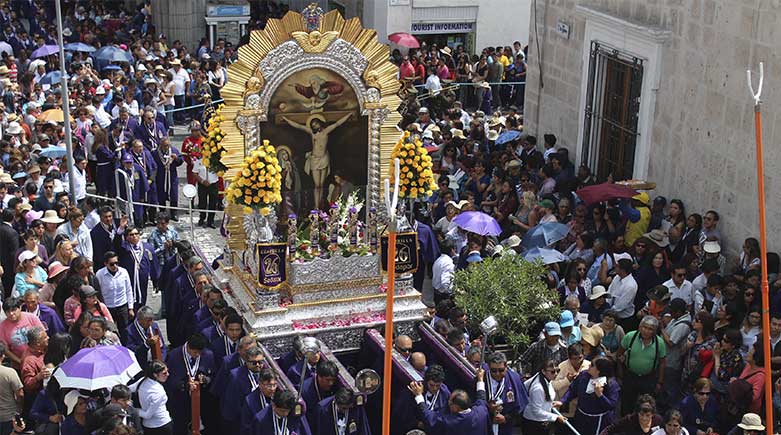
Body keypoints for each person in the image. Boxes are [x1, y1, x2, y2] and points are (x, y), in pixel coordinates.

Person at [407, 367, 489, 434]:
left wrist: (418, 396)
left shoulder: (450, 422)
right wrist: (480, 380)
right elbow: (481, 397)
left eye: (450, 403)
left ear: (456, 407)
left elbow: (429, 418)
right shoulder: (482, 411)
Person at [164, 334, 216, 435]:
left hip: (202, 402)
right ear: (188, 346)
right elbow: (169, 381)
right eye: (195, 352)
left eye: (200, 352)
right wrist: (184, 385)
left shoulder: (208, 355)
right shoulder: (174, 356)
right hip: (180, 402)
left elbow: (214, 375)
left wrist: (206, 380)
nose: (197, 355)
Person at [616, 316, 667, 414]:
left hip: (648, 378)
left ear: (655, 331)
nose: (646, 331)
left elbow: (662, 363)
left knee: (646, 406)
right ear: (640, 327)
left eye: (650, 329)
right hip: (630, 376)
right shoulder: (630, 337)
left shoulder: (659, 343)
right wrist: (620, 373)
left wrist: (660, 382)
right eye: (644, 327)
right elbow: (619, 355)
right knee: (626, 404)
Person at [561, 357, 620, 435]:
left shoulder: (611, 385)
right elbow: (572, 389)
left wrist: (600, 395)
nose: (588, 365)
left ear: (599, 370)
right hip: (581, 417)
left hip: (599, 421)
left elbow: (611, 405)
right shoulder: (583, 375)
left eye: (592, 365)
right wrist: (562, 401)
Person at [219, 346, 267, 432]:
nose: (258, 365)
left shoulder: (267, 373)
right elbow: (232, 402)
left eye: (260, 362)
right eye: (254, 363)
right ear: (246, 362)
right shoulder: (236, 376)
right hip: (242, 420)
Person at [393, 365, 450, 435]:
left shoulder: (445, 393)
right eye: (431, 385)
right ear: (426, 382)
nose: (435, 388)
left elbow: (445, 415)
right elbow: (402, 412)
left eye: (438, 385)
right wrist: (416, 423)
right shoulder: (414, 390)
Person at [484, 351, 527, 435]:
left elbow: (520, 406)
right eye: (493, 370)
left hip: (506, 426)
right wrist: (487, 409)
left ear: (506, 366)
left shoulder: (514, 379)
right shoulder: (481, 380)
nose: (497, 374)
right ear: (489, 367)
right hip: (486, 424)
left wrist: (506, 418)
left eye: (501, 370)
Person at [95, 251, 133, 344]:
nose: (115, 266)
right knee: (109, 331)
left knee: (124, 331)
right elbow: (98, 292)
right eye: (112, 264)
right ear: (105, 264)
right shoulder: (100, 274)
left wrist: (130, 307)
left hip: (122, 306)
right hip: (108, 307)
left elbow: (129, 290)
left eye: (117, 263)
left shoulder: (123, 272)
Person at [522, 360, 566, 433]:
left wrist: (550, 404)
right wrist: (556, 417)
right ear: (543, 371)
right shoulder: (538, 388)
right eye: (552, 372)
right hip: (534, 424)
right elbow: (536, 411)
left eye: (557, 371)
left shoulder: (545, 379)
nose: (556, 374)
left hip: (541, 421)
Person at [0, 297, 44, 366]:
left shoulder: (32, 318)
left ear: (20, 308)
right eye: (8, 311)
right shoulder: (2, 327)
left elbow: (43, 337)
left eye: (13, 310)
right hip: (19, 363)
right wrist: (20, 362)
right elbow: (6, 350)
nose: (11, 313)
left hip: (39, 359)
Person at [133, 360, 172, 435]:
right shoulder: (158, 392)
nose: (168, 374)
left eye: (167, 371)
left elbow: (128, 388)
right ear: (155, 375)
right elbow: (147, 415)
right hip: (162, 426)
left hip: (147, 427)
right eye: (164, 373)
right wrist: (134, 410)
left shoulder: (142, 381)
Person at [239, 368, 277, 433]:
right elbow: (246, 427)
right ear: (260, 384)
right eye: (269, 385)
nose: (272, 389)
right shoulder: (250, 401)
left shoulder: (278, 398)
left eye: (274, 385)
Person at [0, 341, 22, 435]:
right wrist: (20, 410)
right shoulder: (9, 373)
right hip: (8, 416)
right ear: (3, 356)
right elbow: (20, 395)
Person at [191, 157, 219, 228]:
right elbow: (194, 173)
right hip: (202, 185)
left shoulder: (215, 161)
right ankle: (202, 218)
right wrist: (202, 181)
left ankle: (211, 221)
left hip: (213, 184)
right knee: (202, 202)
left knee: (213, 203)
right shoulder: (199, 161)